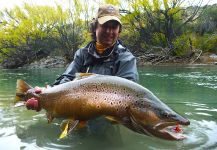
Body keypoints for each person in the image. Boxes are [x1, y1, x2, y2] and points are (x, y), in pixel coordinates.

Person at [53, 4, 138, 85]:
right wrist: (49, 93)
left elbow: (128, 90)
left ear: (119, 30)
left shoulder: (126, 59)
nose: (109, 31)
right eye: (105, 26)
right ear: (95, 27)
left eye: (114, 27)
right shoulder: (82, 54)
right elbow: (66, 79)